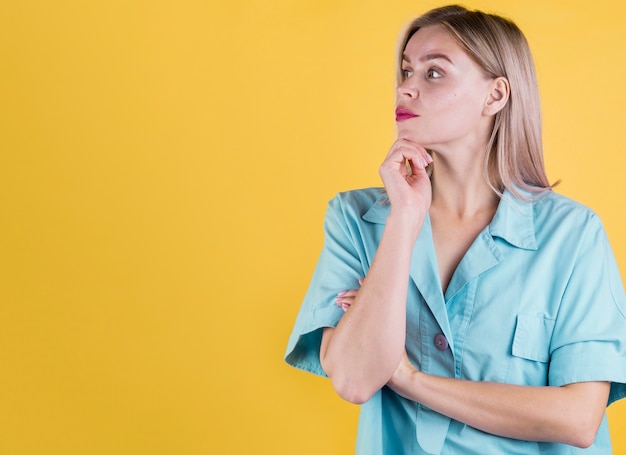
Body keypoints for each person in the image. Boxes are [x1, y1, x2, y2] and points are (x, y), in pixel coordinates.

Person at [285, 5, 626, 454]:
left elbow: (578, 418)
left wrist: (410, 379)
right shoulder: (355, 218)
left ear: (495, 96)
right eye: (406, 70)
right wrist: (405, 216)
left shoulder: (573, 234)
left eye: (434, 73)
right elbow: (352, 379)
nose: (405, 88)